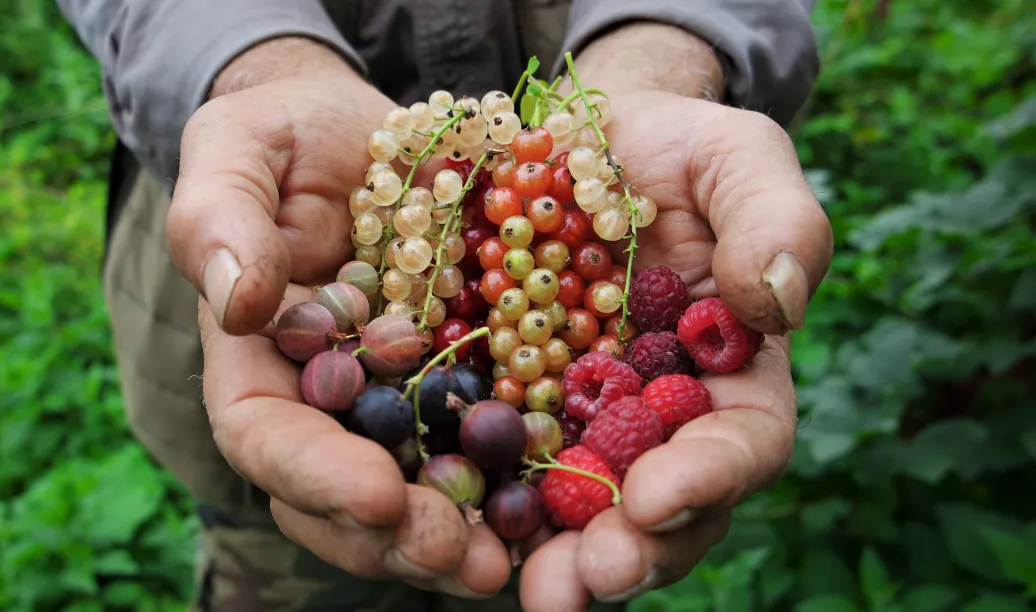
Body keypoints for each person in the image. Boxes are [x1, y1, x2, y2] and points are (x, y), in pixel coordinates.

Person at [58, 1, 833, 610]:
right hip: (291, 245)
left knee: (585, 547)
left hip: (565, 345)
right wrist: (251, 64)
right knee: (294, 544)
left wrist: (667, 50)